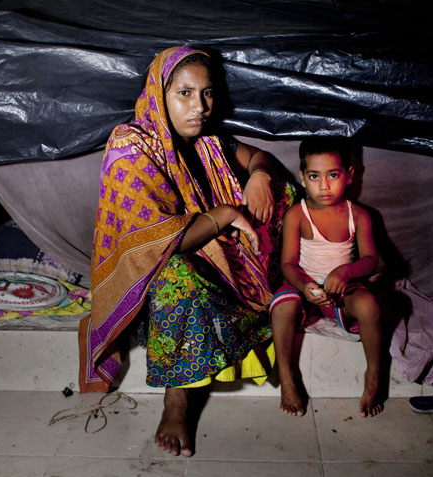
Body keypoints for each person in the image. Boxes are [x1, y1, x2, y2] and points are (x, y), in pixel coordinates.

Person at [79, 45, 292, 457]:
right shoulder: (131, 145)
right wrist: (227, 212)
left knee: (284, 192)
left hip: (215, 264)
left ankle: (266, 287)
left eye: (208, 93)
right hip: (150, 287)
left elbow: (258, 157)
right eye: (185, 94)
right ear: (160, 93)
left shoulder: (210, 144)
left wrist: (261, 175)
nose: (200, 107)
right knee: (178, 274)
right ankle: (176, 400)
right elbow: (159, 242)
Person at [270, 139, 383, 418]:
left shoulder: (359, 215)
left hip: (342, 291)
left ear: (350, 175)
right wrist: (303, 284)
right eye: (314, 176)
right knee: (282, 307)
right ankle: (287, 377)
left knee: (370, 305)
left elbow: (371, 260)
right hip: (302, 287)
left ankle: (374, 374)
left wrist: (345, 272)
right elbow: (287, 264)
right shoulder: (298, 214)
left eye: (333, 175)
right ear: (302, 177)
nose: (324, 186)